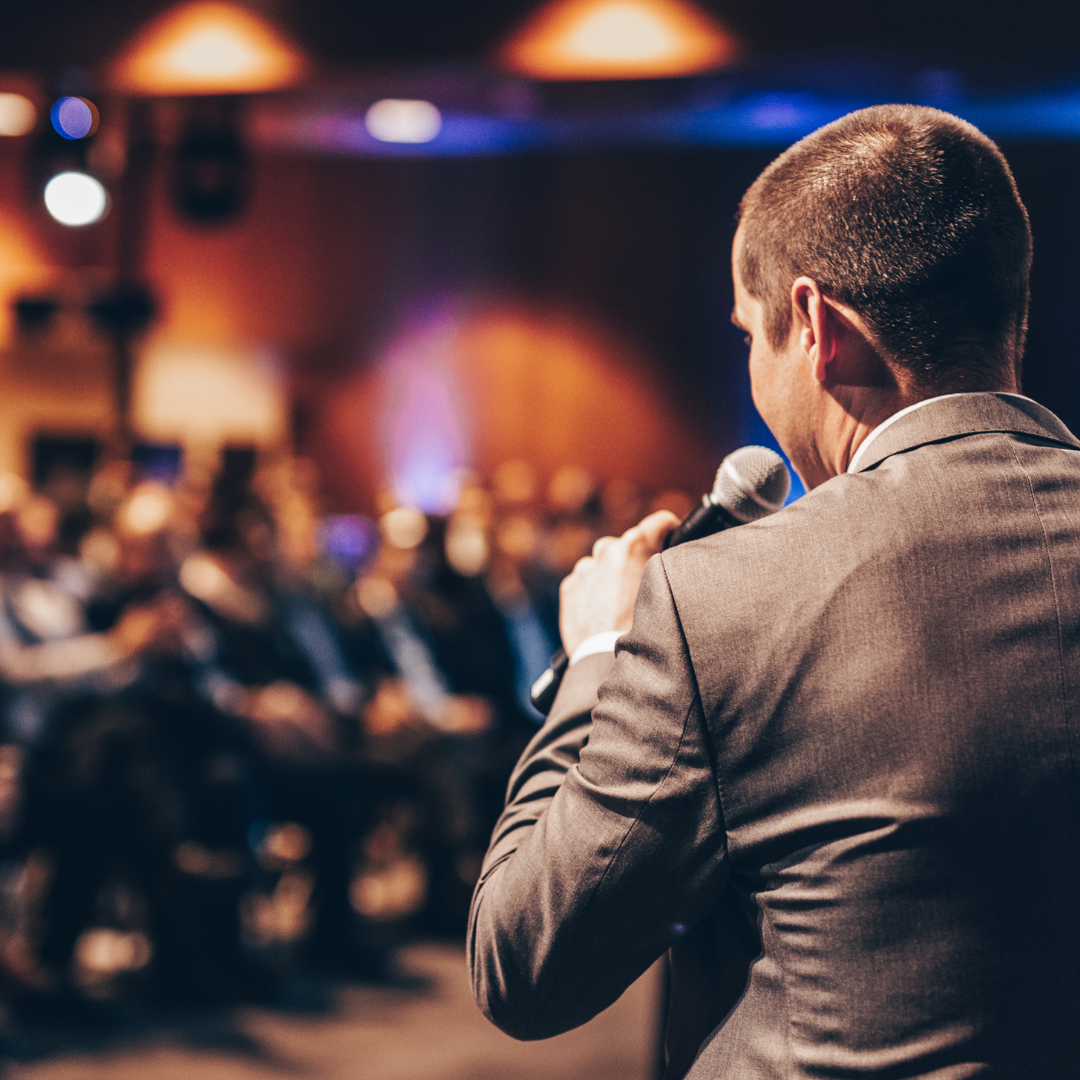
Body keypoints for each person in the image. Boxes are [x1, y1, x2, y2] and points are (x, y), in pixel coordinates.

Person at [468, 104, 1080, 1078]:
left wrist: (595, 660)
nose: (757, 367)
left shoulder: (722, 600)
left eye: (752, 334)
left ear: (813, 327)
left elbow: (526, 964)